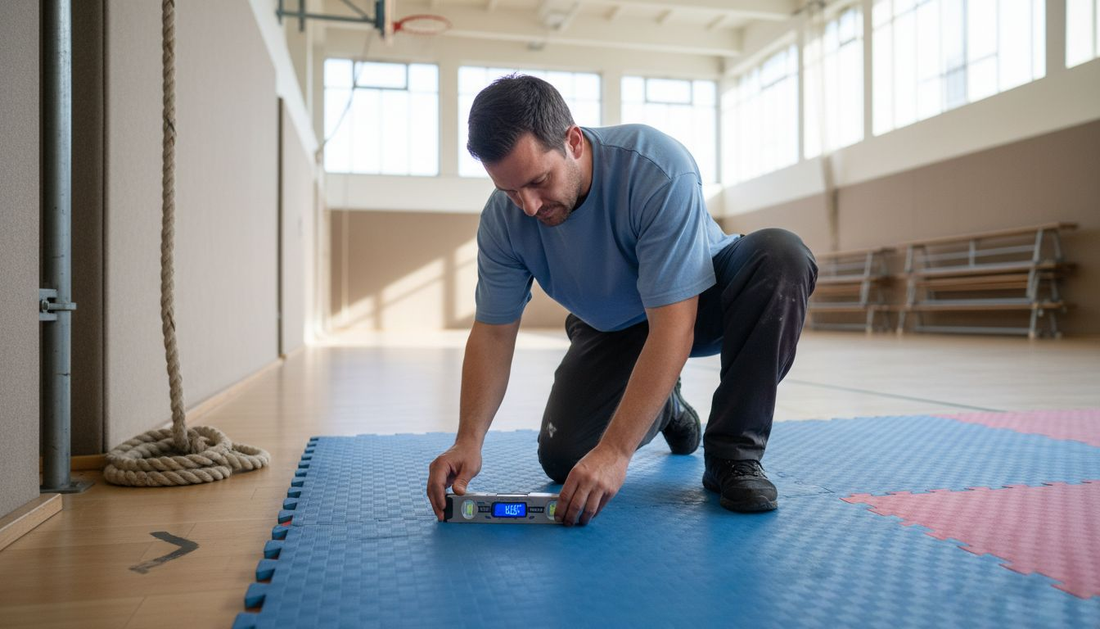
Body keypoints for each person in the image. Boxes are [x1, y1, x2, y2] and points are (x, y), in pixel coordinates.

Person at [426, 74, 817, 527]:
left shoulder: (655, 167)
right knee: (566, 459)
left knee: (781, 255)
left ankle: (734, 456)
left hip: (703, 301)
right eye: (510, 191)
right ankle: (666, 403)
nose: (528, 206)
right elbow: (494, 333)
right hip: (613, 325)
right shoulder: (502, 220)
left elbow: (674, 326)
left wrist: (616, 451)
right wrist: (468, 440)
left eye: (539, 181)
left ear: (573, 141)